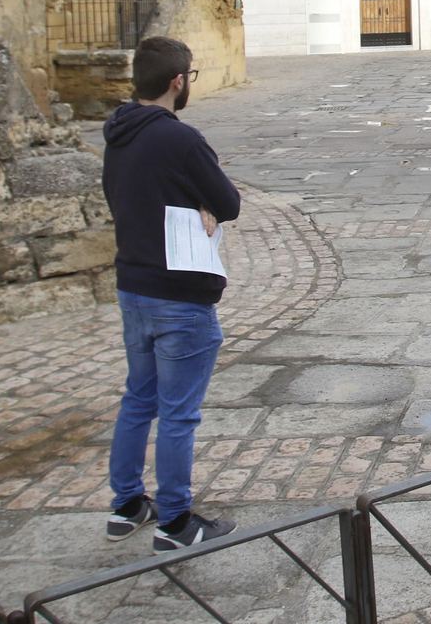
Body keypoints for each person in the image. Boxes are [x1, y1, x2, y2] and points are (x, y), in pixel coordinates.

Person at [102, 37, 241, 550]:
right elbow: (228, 202)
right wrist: (205, 203)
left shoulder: (117, 132)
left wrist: (192, 200)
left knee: (138, 400)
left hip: (133, 288)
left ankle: (126, 506)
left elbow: (132, 195)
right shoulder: (180, 139)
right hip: (179, 294)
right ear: (178, 81)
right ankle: (177, 522)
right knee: (178, 412)